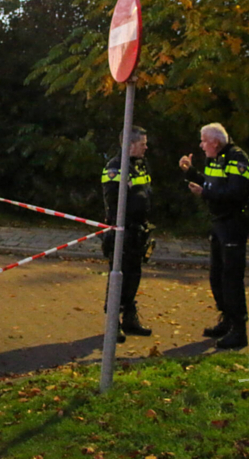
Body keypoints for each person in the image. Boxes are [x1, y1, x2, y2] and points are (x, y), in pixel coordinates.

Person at [179, 123, 249, 349]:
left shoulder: (237, 158)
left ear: (216, 142)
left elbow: (237, 192)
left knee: (231, 277)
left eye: (204, 141)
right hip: (219, 222)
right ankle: (227, 319)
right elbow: (210, 182)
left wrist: (205, 193)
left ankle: (239, 330)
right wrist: (191, 173)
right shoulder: (215, 159)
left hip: (233, 222)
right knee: (217, 275)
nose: (201, 146)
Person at [102, 126, 153, 343]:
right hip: (122, 230)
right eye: (142, 144)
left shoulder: (140, 165)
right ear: (130, 145)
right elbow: (113, 202)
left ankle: (130, 318)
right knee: (118, 276)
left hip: (139, 230)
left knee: (134, 276)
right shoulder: (115, 167)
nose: (146, 147)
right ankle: (112, 323)